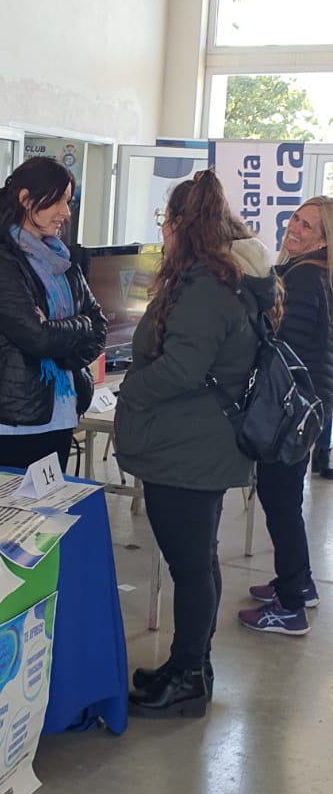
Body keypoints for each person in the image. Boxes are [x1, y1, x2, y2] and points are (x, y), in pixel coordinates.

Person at [115, 170, 277, 719]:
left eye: (166, 221)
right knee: (198, 562)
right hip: (200, 442)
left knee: (190, 565)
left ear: (184, 224)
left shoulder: (206, 287)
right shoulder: (231, 278)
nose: (162, 233)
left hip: (187, 447)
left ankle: (187, 678)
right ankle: (190, 665)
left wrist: (130, 386)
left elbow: (183, 368)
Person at [0, 156, 106, 472]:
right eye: (58, 201)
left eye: (68, 201)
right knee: (12, 520)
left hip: (61, 413)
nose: (66, 212)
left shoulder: (62, 261)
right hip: (16, 420)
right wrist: (76, 328)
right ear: (25, 199)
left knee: (50, 519)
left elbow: (99, 327)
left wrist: (66, 337)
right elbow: (37, 338)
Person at [239, 195, 333, 636]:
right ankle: (300, 582)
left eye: (308, 226)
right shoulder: (316, 274)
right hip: (312, 405)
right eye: (296, 218)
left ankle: (291, 605)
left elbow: (285, 345)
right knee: (286, 498)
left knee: (279, 501)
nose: (295, 228)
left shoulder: (304, 277)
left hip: (291, 409)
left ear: (324, 240)